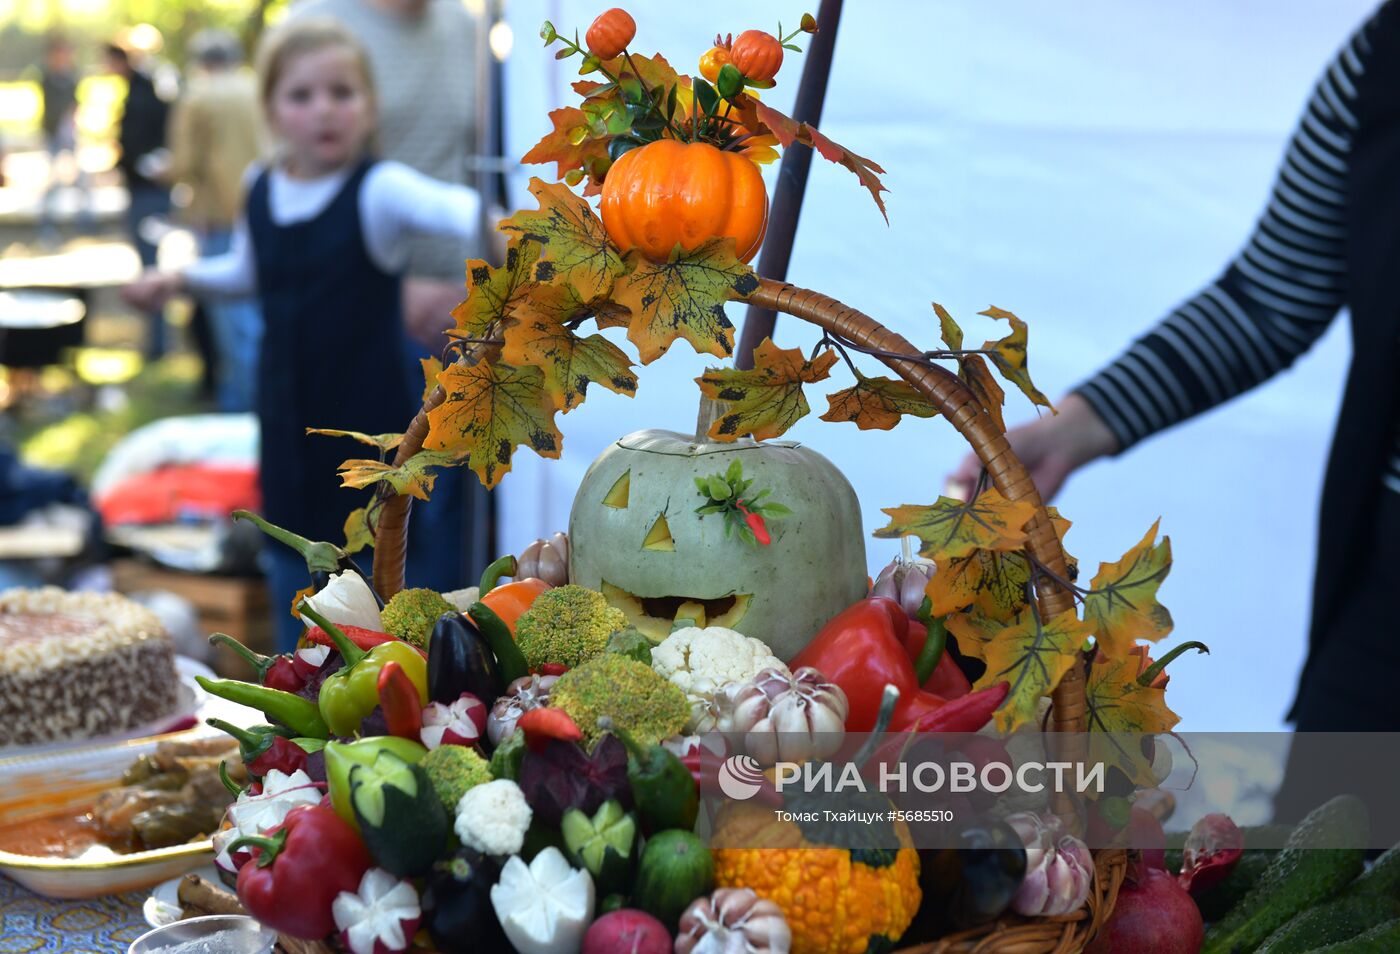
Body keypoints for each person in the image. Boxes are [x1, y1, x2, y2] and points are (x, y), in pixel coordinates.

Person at [948, 3, 1399, 822]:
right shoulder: (1381, 61)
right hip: (1387, 597)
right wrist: (1077, 428)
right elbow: (1269, 296)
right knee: (1323, 878)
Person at [121, 19, 482, 652]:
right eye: (302, 95)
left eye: (342, 92)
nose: (325, 110)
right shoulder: (261, 186)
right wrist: (179, 281)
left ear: (368, 105)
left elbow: (468, 214)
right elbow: (248, 272)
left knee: (382, 582)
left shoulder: (379, 189)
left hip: (368, 432)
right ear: (272, 109)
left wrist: (524, 241)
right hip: (288, 423)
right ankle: (307, 693)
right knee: (296, 565)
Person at [164, 29, 265, 412]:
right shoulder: (257, 88)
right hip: (262, 209)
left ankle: (244, 407)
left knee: (233, 324)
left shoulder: (198, 96)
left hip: (219, 215)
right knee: (255, 317)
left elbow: (182, 163)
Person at [104, 40, 172, 359]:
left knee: (150, 266)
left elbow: (141, 141)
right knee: (150, 263)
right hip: (147, 187)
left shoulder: (145, 93)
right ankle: (156, 341)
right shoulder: (146, 89)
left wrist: (128, 160)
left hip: (149, 190)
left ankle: (158, 344)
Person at [38, 34, 91, 240]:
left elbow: (75, 102)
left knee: (80, 177)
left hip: (69, 132)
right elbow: (52, 106)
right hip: (53, 133)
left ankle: (85, 219)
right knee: (53, 178)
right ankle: (48, 223)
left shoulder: (71, 75)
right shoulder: (48, 76)